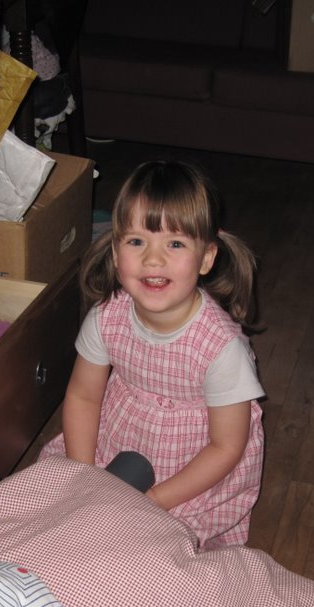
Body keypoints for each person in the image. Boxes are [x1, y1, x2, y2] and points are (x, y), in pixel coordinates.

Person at [40, 160, 265, 549]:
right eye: (136, 241)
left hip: (194, 468)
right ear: (115, 251)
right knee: (54, 503)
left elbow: (226, 446)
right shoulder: (106, 318)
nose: (153, 259)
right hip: (117, 437)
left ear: (207, 258)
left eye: (175, 244)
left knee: (154, 546)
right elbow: (83, 396)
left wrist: (155, 500)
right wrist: (83, 474)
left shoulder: (222, 349)